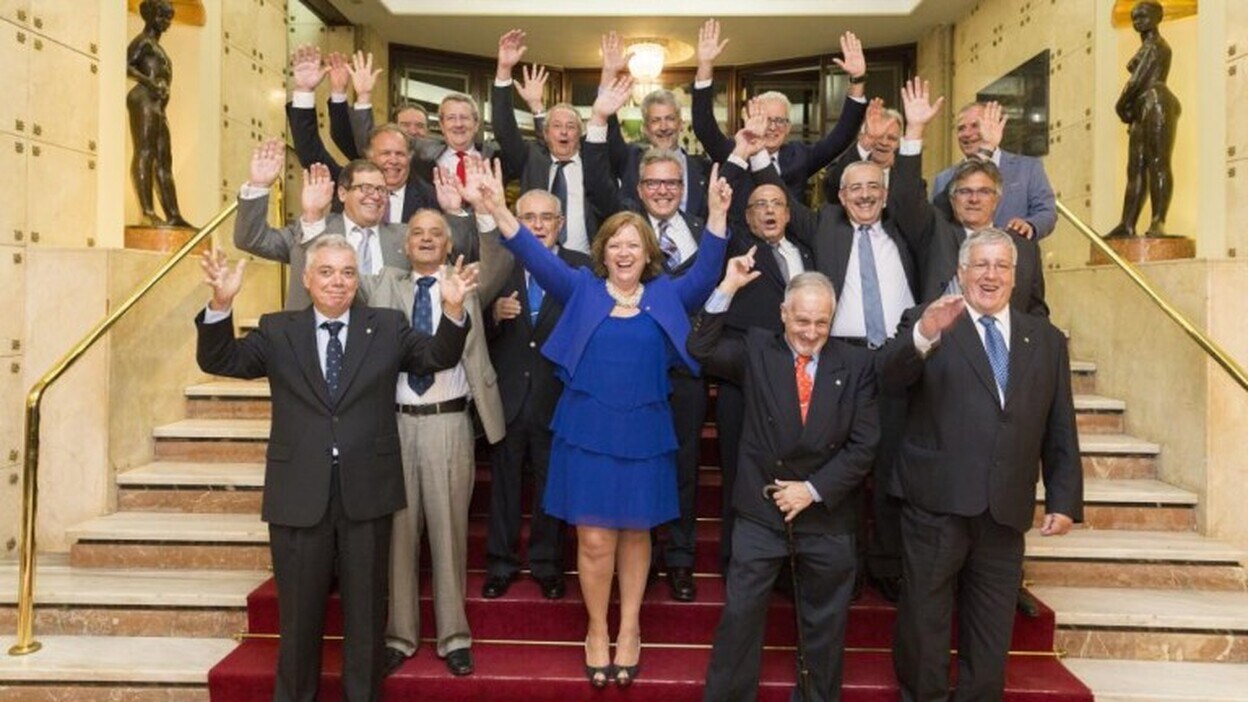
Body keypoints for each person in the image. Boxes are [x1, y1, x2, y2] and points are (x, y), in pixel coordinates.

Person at [465, 152, 732, 687]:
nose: (625, 251)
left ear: (647, 252)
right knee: (593, 541)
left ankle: (629, 626)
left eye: (635, 244)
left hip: (645, 432)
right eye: (616, 243)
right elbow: (534, 256)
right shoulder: (581, 289)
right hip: (586, 431)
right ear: (603, 252)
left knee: (636, 536)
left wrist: (721, 217)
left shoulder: (664, 294)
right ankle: (596, 628)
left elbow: (706, 270)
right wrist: (496, 208)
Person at [194, 236, 474, 702]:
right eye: (326, 271)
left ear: (357, 280)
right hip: (298, 494)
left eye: (347, 272)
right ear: (306, 278)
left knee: (365, 618)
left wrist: (453, 311)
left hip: (367, 491)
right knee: (299, 619)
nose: (337, 282)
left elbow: (436, 357)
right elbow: (221, 359)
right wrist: (221, 303)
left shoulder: (385, 326)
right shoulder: (278, 329)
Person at [883, 229, 1083, 701]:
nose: (990, 275)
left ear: (1016, 277)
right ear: (961, 272)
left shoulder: (1047, 341)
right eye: (981, 265)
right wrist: (924, 335)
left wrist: (1063, 498)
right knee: (925, 621)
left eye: (1001, 266)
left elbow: (1060, 425)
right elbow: (887, 379)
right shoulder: (930, 322)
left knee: (992, 628)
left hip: (1005, 509)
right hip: (936, 503)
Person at [693, 264, 878, 702]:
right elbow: (699, 347)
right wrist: (728, 287)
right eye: (802, 320)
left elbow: (864, 445)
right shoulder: (757, 350)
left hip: (827, 516)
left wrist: (811, 490)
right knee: (740, 618)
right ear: (782, 314)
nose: (811, 332)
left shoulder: (857, 364)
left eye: (821, 322)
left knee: (825, 628)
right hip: (761, 513)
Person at [351, 186, 510, 677]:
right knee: (399, 537)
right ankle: (399, 635)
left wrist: (484, 213)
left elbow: (501, 260)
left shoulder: (468, 282)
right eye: (416, 233)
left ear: (449, 244)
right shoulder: (383, 286)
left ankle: (454, 636)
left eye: (435, 233)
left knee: (449, 534)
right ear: (403, 243)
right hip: (393, 426)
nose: (424, 239)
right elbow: (335, 273)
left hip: (448, 424)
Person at [478, 190, 592, 601]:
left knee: (551, 486)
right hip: (508, 397)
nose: (538, 225)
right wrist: (492, 315)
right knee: (503, 486)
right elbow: (471, 332)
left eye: (547, 218)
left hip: (558, 398)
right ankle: (501, 564)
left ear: (561, 224)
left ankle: (546, 565)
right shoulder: (500, 265)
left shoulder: (581, 269)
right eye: (529, 218)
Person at [890, 80, 1048, 317]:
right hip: (946, 342)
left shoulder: (1024, 248)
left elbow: (1035, 311)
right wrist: (914, 130)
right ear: (952, 199)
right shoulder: (936, 235)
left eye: (984, 192)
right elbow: (906, 200)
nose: (974, 199)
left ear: (997, 199)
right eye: (964, 192)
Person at [692, 18, 868, 204]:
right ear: (750, 121)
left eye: (780, 121)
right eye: (766, 120)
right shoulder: (733, 151)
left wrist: (857, 79)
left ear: (788, 128)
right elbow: (704, 127)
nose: (773, 127)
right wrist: (705, 65)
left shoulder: (798, 157)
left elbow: (841, 137)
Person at [233, 140, 410, 310]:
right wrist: (259, 186)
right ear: (342, 193)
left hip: (384, 337)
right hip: (314, 336)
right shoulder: (313, 227)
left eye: (381, 190)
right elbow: (251, 239)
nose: (376, 196)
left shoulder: (406, 238)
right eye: (365, 188)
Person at [285, 46, 441, 226]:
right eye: (385, 153)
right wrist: (304, 90)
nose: (393, 160)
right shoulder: (349, 182)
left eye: (400, 154)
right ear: (369, 156)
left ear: (410, 156)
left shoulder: (432, 197)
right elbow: (310, 151)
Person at [492, 29, 599, 252]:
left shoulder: (593, 163)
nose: (564, 133)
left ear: (580, 134)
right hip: (536, 258)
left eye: (571, 127)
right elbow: (504, 130)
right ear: (545, 132)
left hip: (585, 263)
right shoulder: (532, 158)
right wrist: (504, 70)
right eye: (557, 127)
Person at [1106, 0, 1182, 239]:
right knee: (1135, 168)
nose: (1138, 21)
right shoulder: (1145, 46)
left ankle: (1158, 221)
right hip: (1142, 108)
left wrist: (1120, 105)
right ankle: (1127, 223)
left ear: (1158, 17)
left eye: (1144, 16)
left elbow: (1137, 81)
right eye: (1135, 17)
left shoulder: (1157, 46)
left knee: (1157, 162)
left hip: (1157, 102)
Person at [930, 101, 1056, 240]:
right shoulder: (944, 179)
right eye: (961, 128)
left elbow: (1046, 212)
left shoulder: (1028, 168)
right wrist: (986, 150)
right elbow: (937, 225)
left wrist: (1030, 225)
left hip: (1015, 255)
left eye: (975, 125)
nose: (967, 133)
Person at [126, 0, 191, 228]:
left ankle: (173, 214)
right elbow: (126, 65)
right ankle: (147, 212)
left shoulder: (158, 47)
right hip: (143, 98)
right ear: (152, 15)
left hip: (158, 105)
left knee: (164, 161)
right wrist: (150, 82)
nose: (167, 22)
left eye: (169, 17)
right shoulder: (143, 42)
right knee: (145, 152)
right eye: (163, 16)